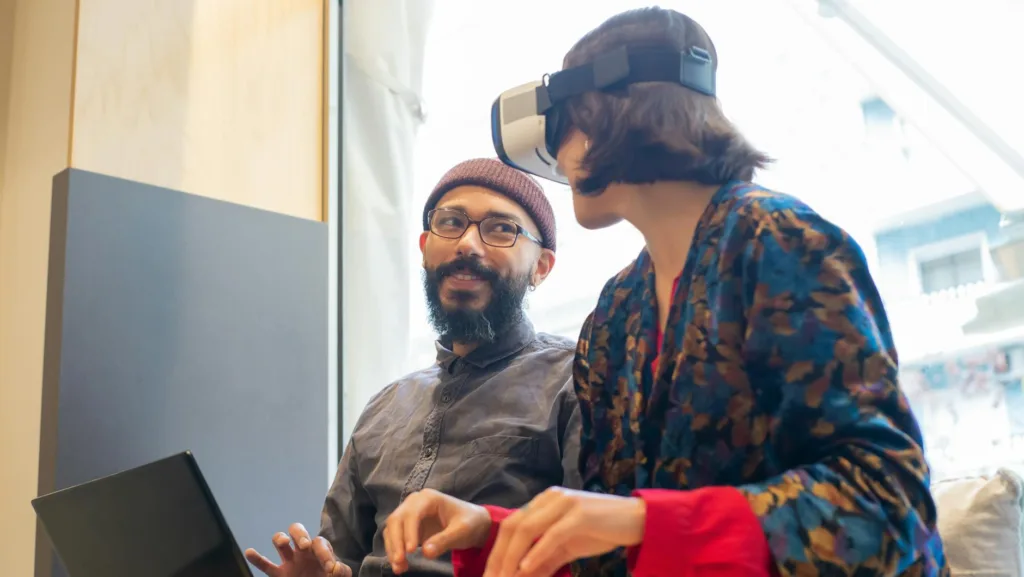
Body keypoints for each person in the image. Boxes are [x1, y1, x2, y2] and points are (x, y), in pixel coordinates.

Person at [381, 7, 948, 577]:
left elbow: (889, 508)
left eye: (563, 126)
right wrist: (492, 530)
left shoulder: (778, 244)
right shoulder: (615, 313)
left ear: (606, 115)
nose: (558, 155)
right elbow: (619, 537)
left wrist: (643, 524)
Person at [244, 158, 583, 577]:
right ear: (425, 248)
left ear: (542, 267)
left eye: (500, 229)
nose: (467, 245)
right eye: (451, 222)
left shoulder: (575, 380)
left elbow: (597, 552)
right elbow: (341, 553)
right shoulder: (386, 406)